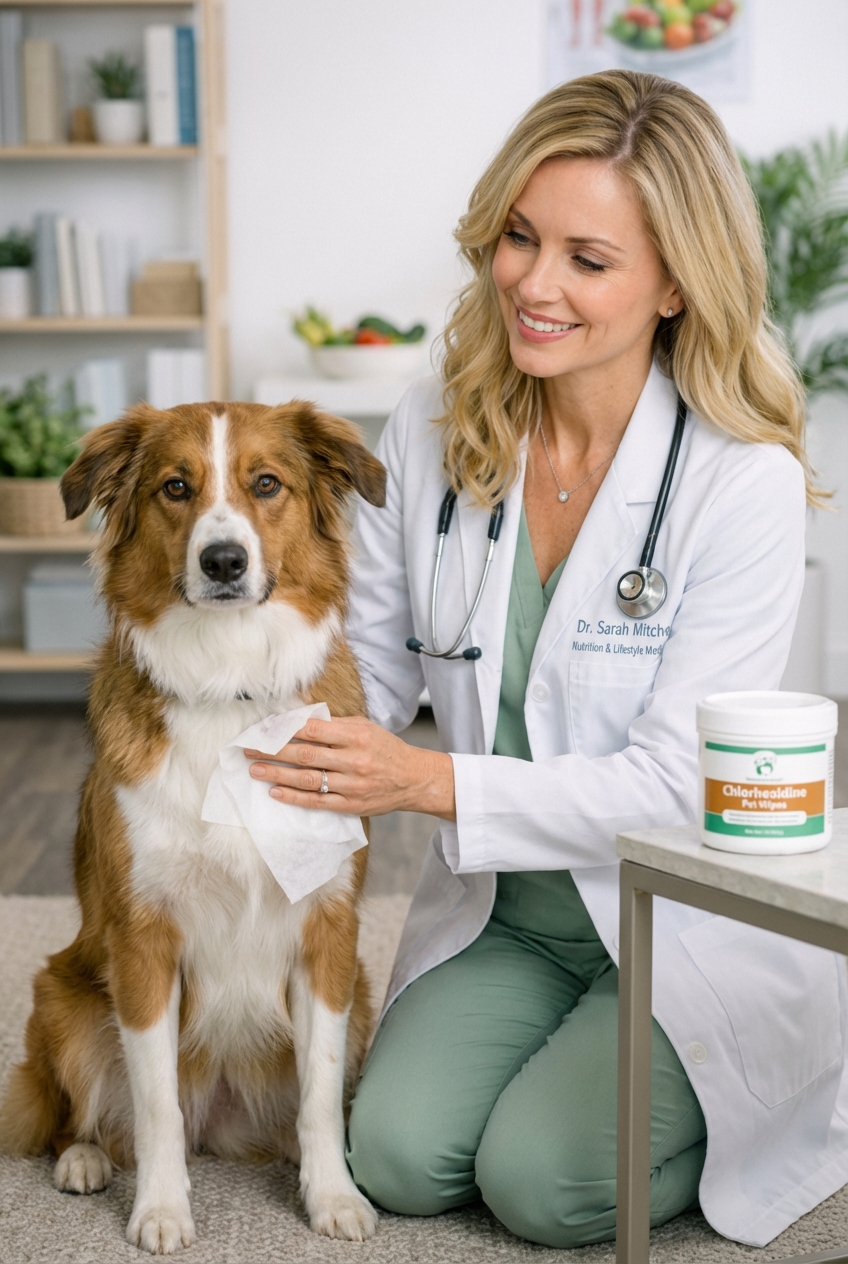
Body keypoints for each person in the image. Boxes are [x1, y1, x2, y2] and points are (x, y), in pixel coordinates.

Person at [247, 71, 848, 1248]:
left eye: (587, 257)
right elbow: (354, 670)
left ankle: (809, 1076)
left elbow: (679, 784)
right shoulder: (433, 426)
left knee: (543, 1183)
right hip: (512, 912)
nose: (532, 281)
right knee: (398, 1156)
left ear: (674, 280)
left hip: (683, 919)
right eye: (519, 237)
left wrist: (420, 781)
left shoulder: (740, 482)